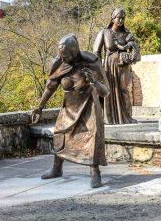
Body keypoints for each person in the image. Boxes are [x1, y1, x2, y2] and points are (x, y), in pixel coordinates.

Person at [31, 34, 109, 188]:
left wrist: (93, 81)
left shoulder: (91, 62)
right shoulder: (59, 65)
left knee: (90, 138)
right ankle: (56, 169)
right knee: (59, 134)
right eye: (61, 55)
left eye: (66, 55)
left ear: (75, 52)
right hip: (68, 108)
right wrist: (40, 107)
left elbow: (106, 91)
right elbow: (50, 87)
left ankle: (95, 173)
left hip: (89, 108)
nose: (63, 58)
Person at [92, 8, 141, 125]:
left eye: (123, 18)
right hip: (109, 66)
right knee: (109, 90)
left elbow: (135, 48)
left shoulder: (126, 34)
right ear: (113, 18)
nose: (121, 20)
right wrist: (98, 69)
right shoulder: (104, 32)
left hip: (124, 65)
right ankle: (109, 118)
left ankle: (127, 117)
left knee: (124, 89)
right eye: (118, 18)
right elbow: (96, 52)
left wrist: (130, 47)